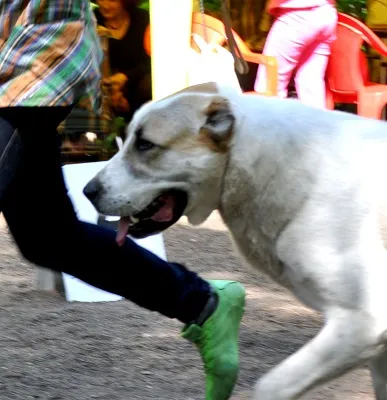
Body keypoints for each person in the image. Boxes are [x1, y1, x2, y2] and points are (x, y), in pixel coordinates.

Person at [0, 2, 245, 399]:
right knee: (48, 237)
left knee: (49, 235)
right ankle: (203, 303)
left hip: (35, 62)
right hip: (18, 60)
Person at [254, 0, 338, 109]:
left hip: (297, 16)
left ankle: (269, 124)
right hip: (326, 13)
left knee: (270, 84)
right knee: (310, 84)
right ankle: (317, 124)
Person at [95, 0, 152, 122]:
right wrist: (111, 92)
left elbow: (152, 61)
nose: (105, 5)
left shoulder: (143, 19)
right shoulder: (91, 21)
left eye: (112, 0)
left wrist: (126, 76)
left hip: (140, 92)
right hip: (102, 91)